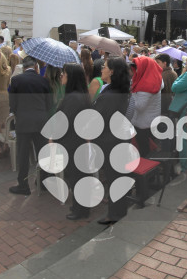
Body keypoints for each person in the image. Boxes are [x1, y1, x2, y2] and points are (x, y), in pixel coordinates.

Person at [93, 57, 131, 224]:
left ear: (112, 71)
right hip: (118, 139)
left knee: (113, 176)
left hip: (109, 141)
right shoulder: (118, 90)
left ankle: (115, 214)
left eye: (105, 67)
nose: (102, 69)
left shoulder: (109, 96)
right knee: (117, 176)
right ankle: (118, 209)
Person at [8, 55, 52, 195]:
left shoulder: (16, 80)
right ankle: (43, 181)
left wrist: (19, 113)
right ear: (36, 67)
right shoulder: (44, 81)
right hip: (41, 121)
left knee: (23, 154)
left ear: (23, 67)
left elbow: (12, 104)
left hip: (23, 121)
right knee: (42, 153)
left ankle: (23, 184)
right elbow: (49, 103)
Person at [59, 63, 93, 220]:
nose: (61, 75)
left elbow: (65, 122)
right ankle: (80, 207)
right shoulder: (80, 95)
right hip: (78, 142)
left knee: (76, 176)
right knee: (79, 175)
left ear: (71, 76)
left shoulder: (74, 98)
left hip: (73, 143)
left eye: (64, 73)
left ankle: (81, 210)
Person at [129, 56, 162, 159]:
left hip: (143, 122)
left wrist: (130, 95)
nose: (135, 70)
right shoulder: (154, 77)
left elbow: (140, 106)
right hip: (149, 119)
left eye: (137, 67)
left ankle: (147, 167)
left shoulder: (146, 84)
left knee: (144, 148)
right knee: (146, 143)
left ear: (144, 67)